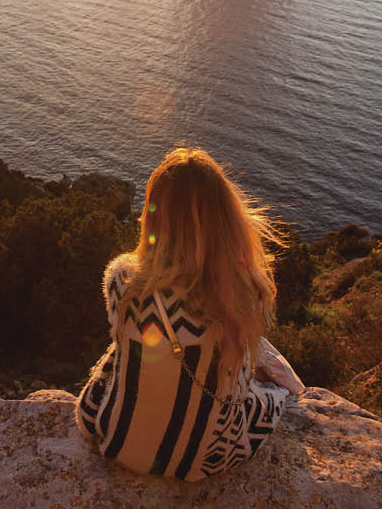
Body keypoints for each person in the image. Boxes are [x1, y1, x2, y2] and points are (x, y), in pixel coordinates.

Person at [76, 146, 304, 481]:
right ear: (226, 220)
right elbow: (234, 392)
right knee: (271, 395)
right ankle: (288, 387)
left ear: (154, 216)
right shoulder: (243, 294)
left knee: (120, 354)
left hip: (120, 445)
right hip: (206, 462)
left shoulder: (123, 280)